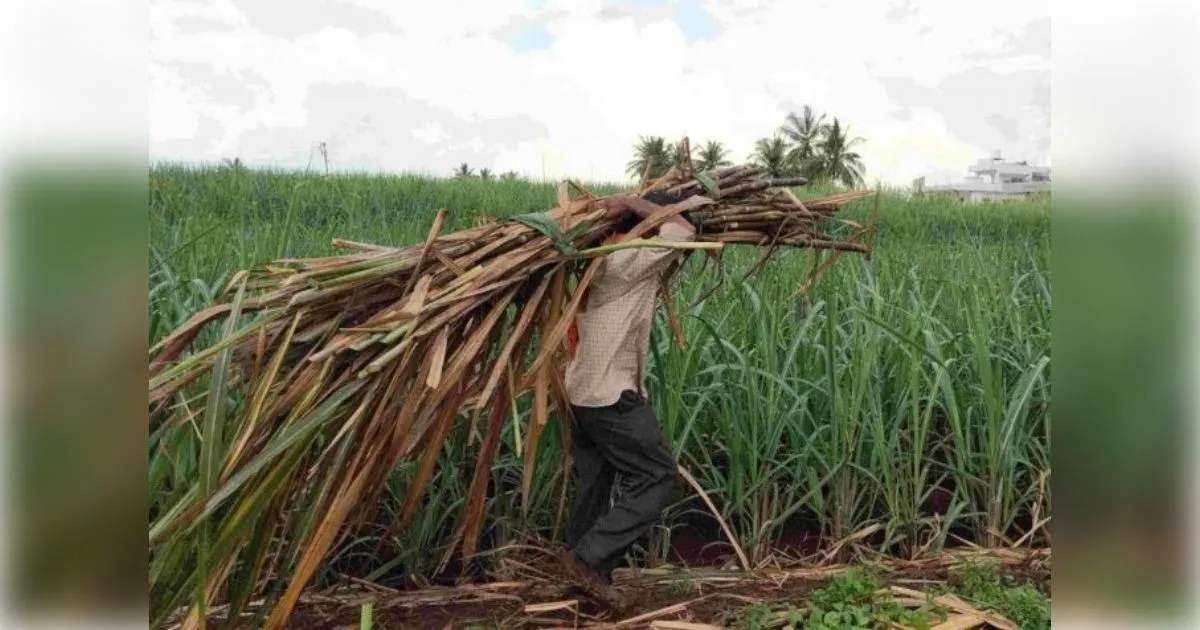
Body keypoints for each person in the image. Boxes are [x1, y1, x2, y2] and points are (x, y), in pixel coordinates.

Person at [554, 190, 708, 608]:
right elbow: (683, 231)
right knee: (657, 475)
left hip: (581, 390)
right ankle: (588, 560)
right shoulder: (628, 259)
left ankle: (585, 577)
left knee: (596, 484)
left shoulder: (600, 257)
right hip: (609, 393)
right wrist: (638, 203)